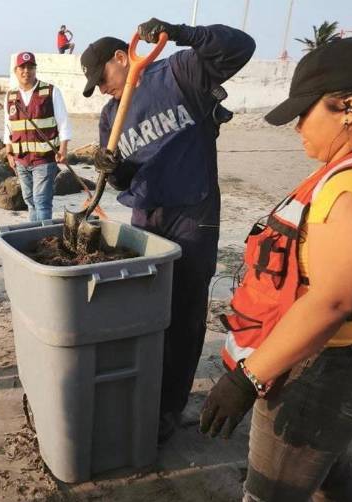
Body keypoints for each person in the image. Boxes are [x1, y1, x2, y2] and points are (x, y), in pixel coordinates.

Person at [200, 37, 352, 502]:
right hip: (343, 363)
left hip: (326, 370)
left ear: (349, 108)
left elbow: (333, 301)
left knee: (271, 494)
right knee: (326, 472)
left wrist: (247, 378)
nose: (298, 125)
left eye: (305, 111)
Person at [82, 19, 254, 441]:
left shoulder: (179, 73)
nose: (101, 89)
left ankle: (169, 408)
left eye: (101, 78)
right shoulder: (111, 115)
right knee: (145, 309)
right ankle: (143, 389)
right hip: (146, 217)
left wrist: (181, 33)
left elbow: (241, 46)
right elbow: (122, 180)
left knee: (185, 314)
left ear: (122, 57)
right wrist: (113, 169)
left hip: (193, 211)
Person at [4, 51, 72, 222]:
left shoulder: (50, 91)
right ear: (16, 70)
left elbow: (63, 122)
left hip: (44, 158)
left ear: (35, 69)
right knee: (30, 201)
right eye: (22, 67)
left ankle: (44, 234)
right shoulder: (11, 96)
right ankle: (34, 232)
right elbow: (8, 126)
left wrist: (63, 149)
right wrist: (9, 153)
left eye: (30, 67)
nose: (26, 71)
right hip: (21, 159)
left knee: (41, 201)